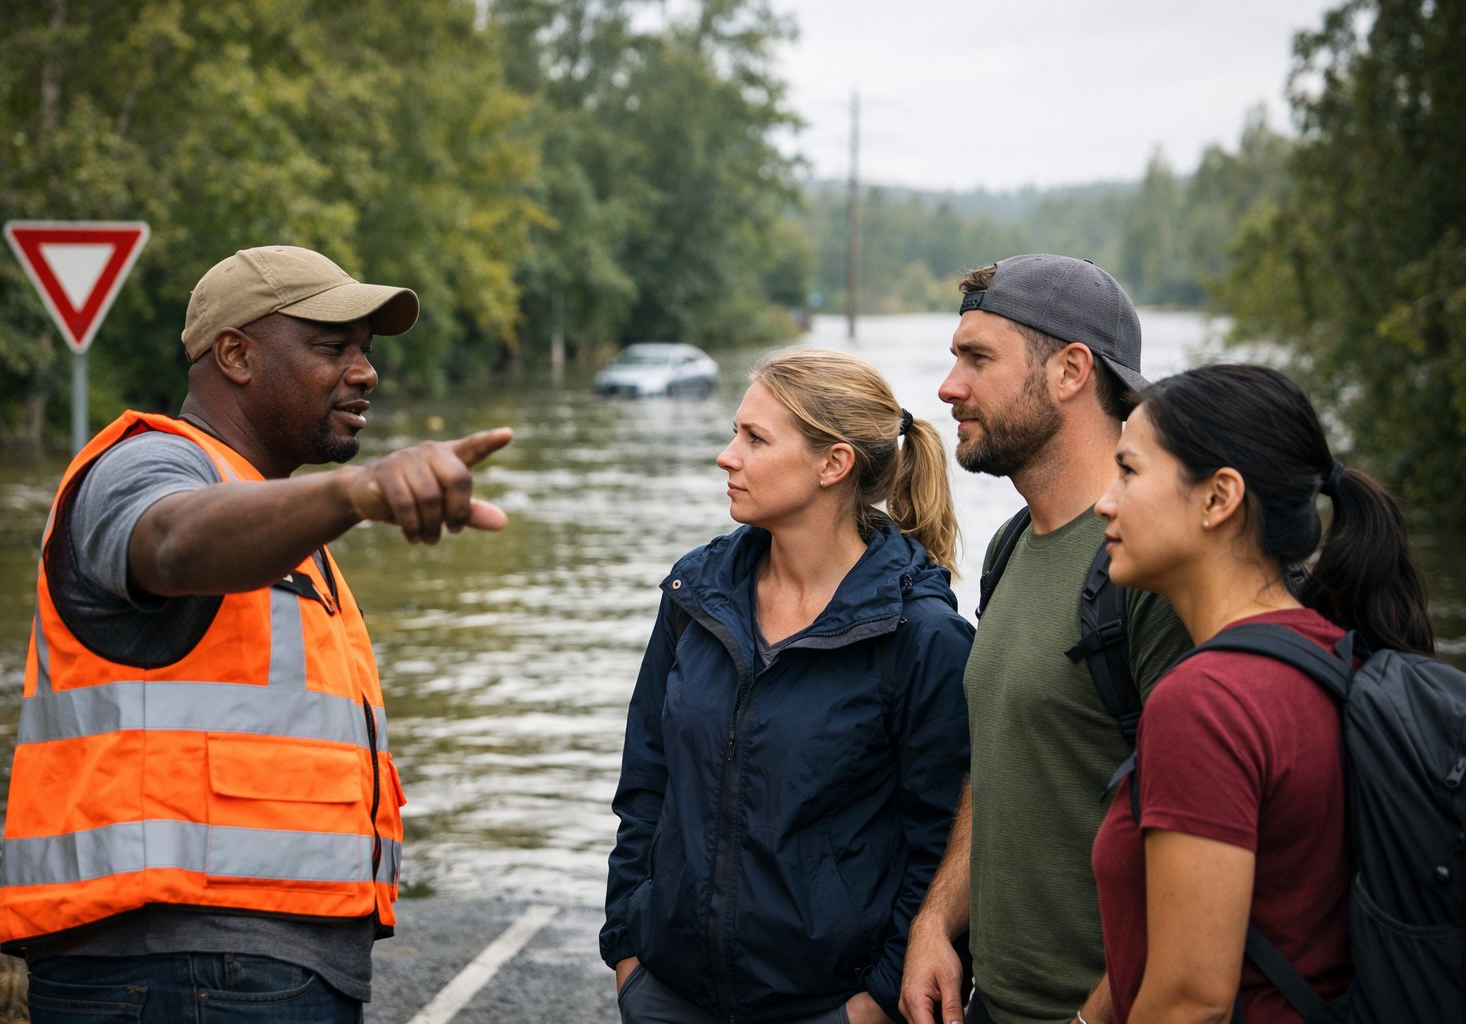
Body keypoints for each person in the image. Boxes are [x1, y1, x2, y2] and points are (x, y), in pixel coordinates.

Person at [0, 245, 513, 1021]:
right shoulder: (148, 464)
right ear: (235, 354)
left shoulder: (277, 514)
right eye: (332, 348)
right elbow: (171, 539)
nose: (365, 372)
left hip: (246, 966)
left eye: (366, 353)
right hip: (190, 970)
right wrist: (357, 490)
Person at [601, 348, 976, 1023]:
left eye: (754, 438)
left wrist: (877, 1002)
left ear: (833, 464)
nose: (727, 456)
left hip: (827, 1009)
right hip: (666, 994)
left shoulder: (921, 638)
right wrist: (629, 950)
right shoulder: (695, 595)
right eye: (735, 433)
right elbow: (645, 784)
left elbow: (944, 844)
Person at [1090, 363, 1432, 1023]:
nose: (1106, 501)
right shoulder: (1333, 654)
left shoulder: (1206, 701)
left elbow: (1192, 1001)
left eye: (1129, 471)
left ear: (1218, 499)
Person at [900, 255, 1192, 1024]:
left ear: (1070, 371)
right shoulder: (1008, 548)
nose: (947, 386)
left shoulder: (1153, 572)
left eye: (978, 358)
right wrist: (937, 921)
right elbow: (1004, 767)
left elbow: (1205, 839)